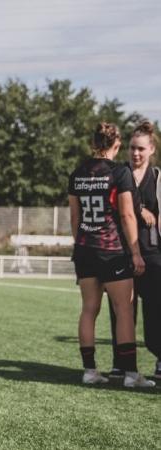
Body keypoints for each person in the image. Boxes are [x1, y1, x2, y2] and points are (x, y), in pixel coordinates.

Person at [68, 122, 154, 388]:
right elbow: (128, 214)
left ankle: (90, 371)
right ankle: (130, 375)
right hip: (113, 252)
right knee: (124, 310)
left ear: (93, 142)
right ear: (116, 144)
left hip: (84, 250)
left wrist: (82, 243)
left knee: (88, 310)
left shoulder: (77, 173)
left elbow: (75, 217)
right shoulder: (119, 172)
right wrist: (136, 252)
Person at [107, 121, 161, 381]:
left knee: (156, 311)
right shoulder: (119, 173)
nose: (135, 153)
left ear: (151, 149)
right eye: (131, 148)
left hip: (152, 254)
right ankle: (122, 363)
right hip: (120, 252)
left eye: (141, 148)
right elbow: (117, 208)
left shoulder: (158, 177)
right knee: (120, 309)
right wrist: (140, 209)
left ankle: (160, 357)